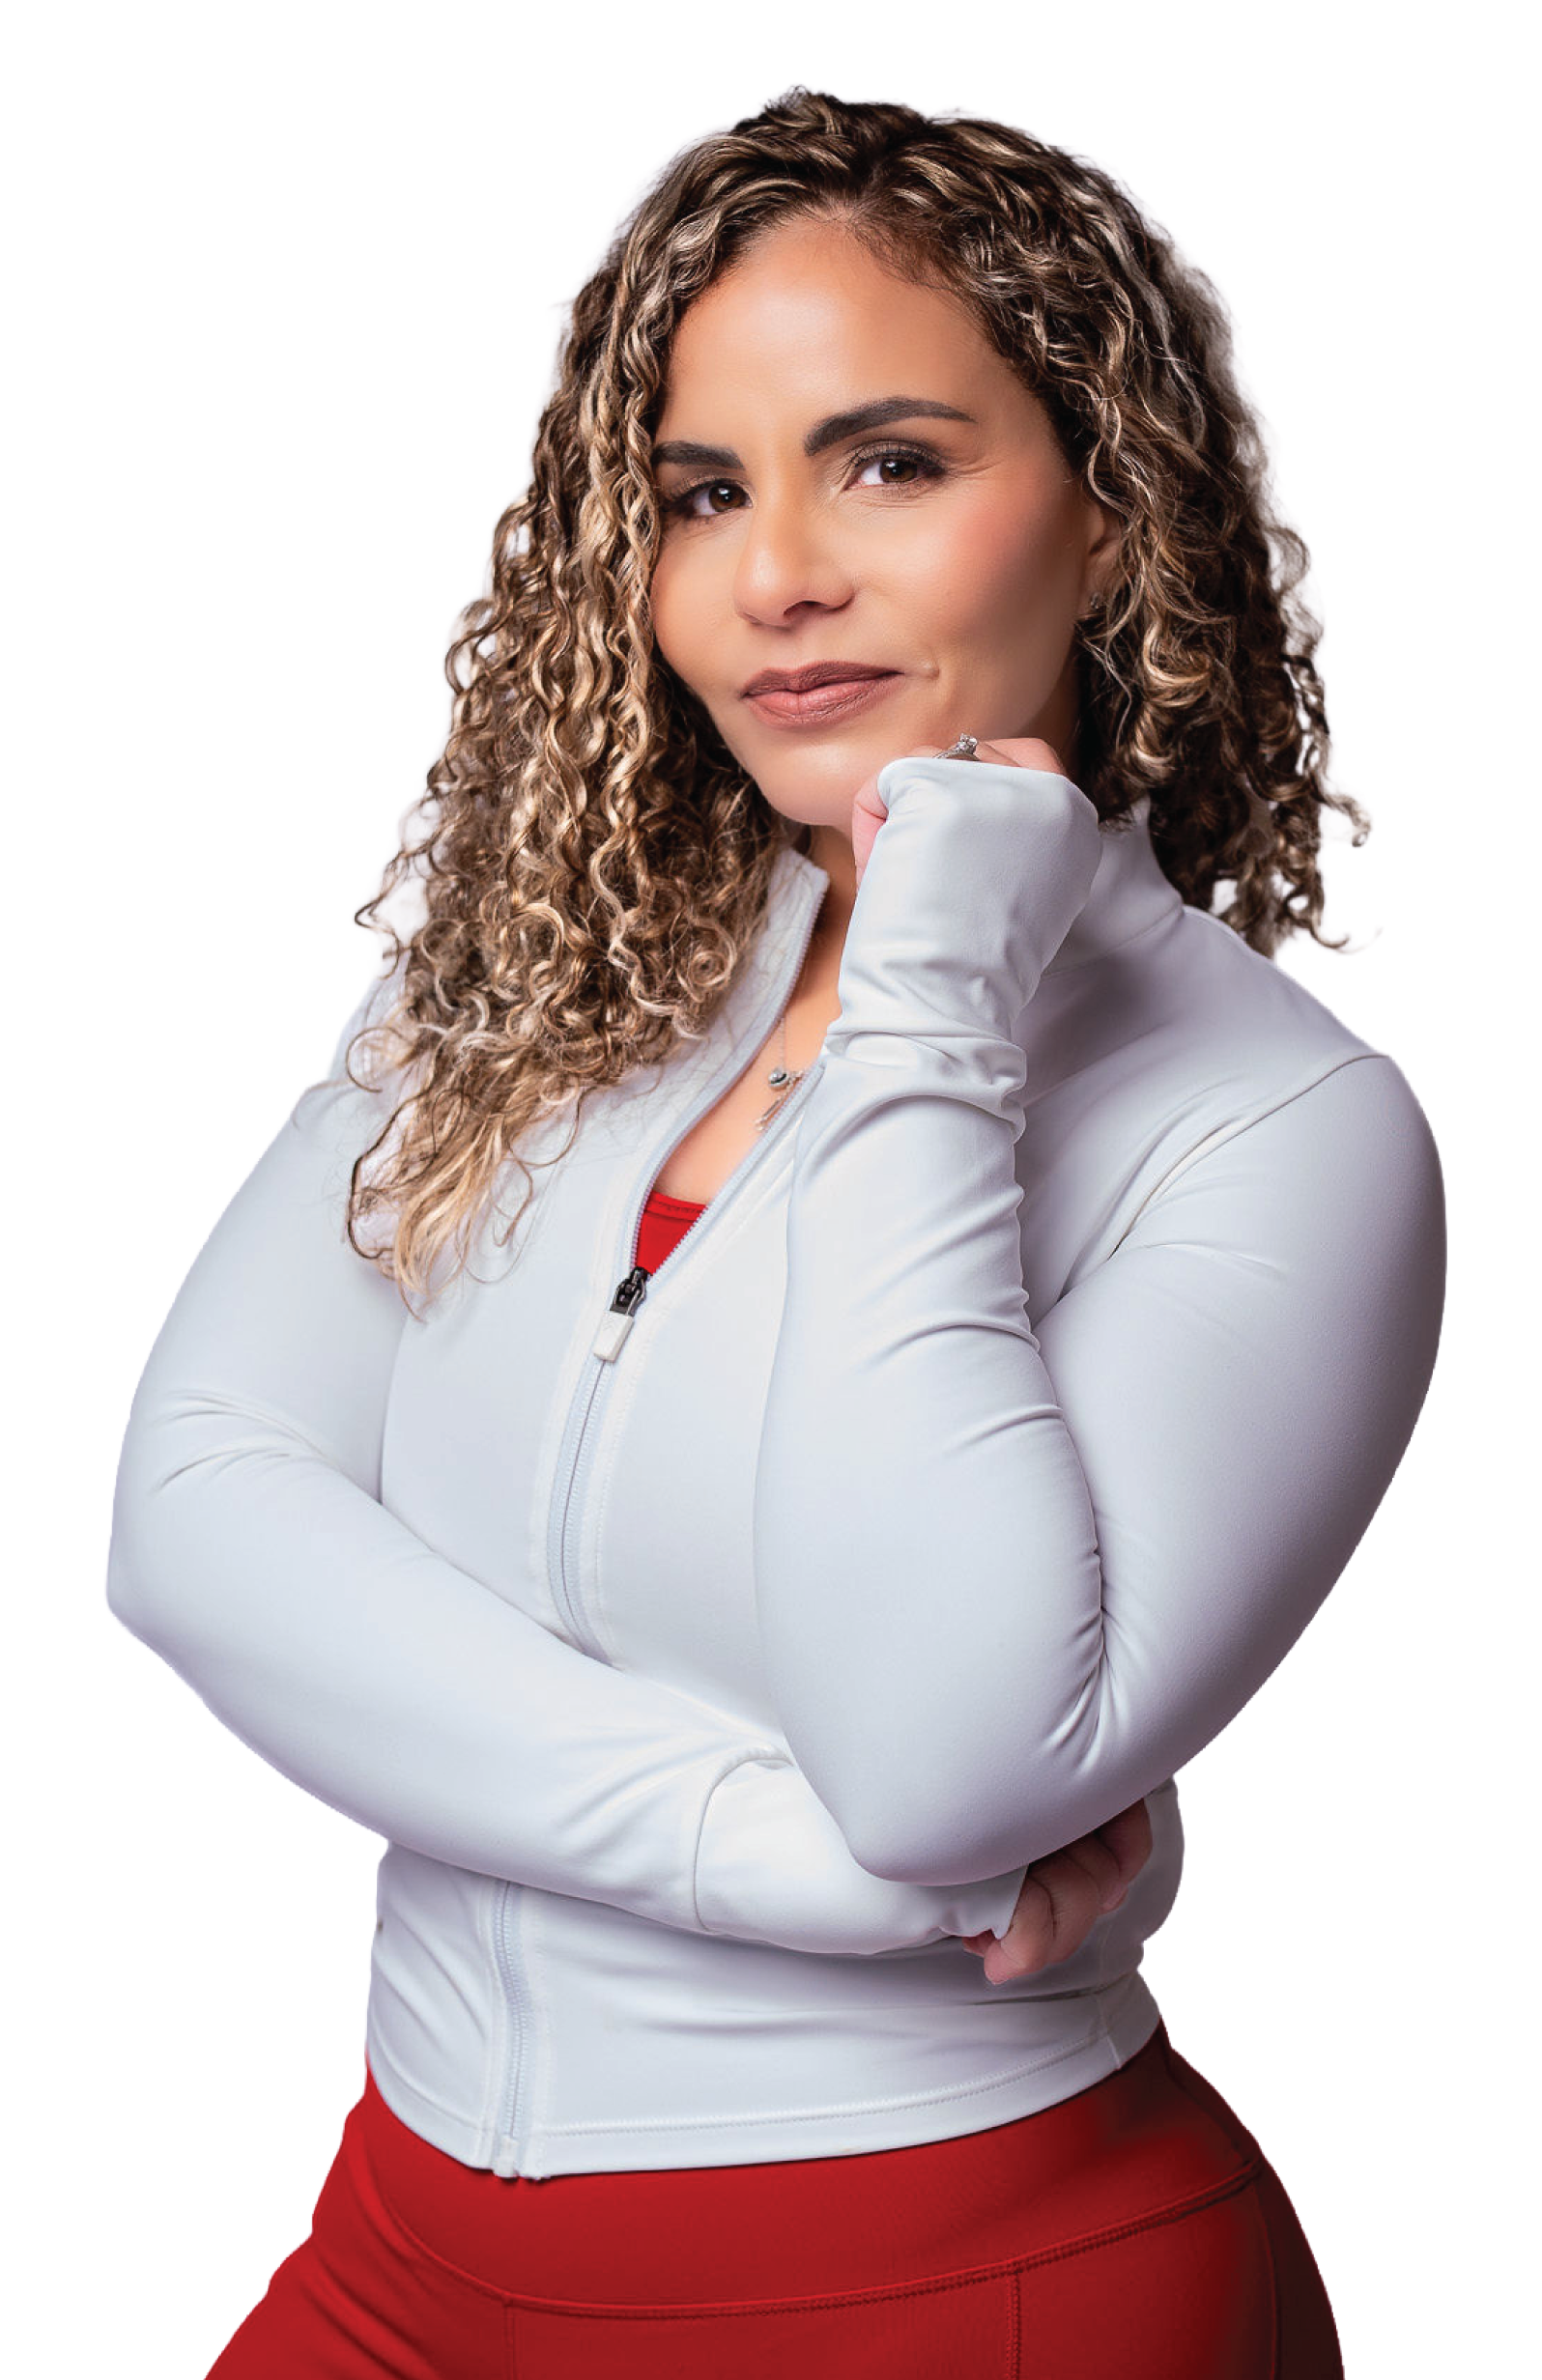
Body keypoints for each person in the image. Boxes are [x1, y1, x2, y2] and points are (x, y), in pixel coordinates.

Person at [105, 88, 1446, 2377]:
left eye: (890, 461)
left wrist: (939, 986)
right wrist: (805, 1867)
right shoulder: (537, 967)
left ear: (1116, 517)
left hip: (959, 2285)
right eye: (705, 491)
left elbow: (947, 1748)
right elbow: (195, 1525)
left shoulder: (1285, 1129)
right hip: (397, 2246)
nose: (777, 572)